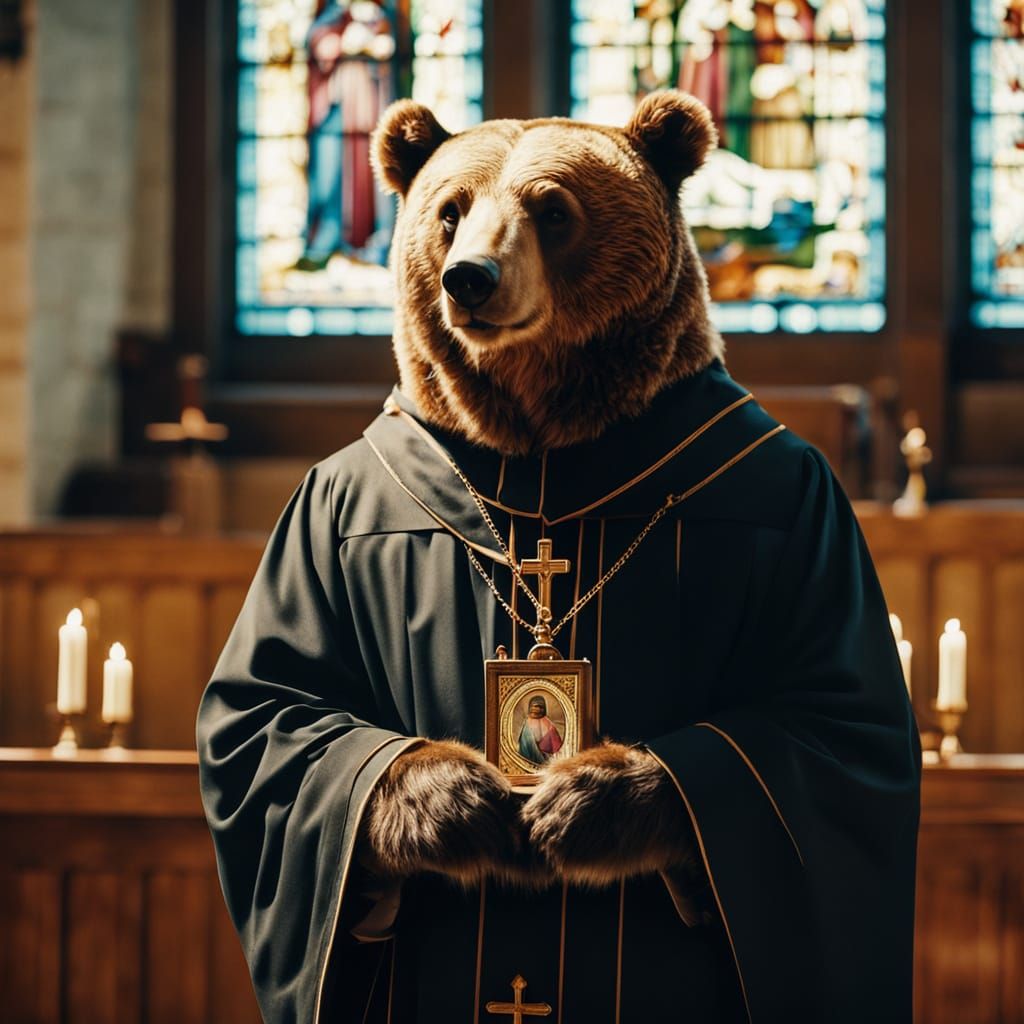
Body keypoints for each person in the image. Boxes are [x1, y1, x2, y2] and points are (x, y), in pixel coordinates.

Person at [517, 695, 563, 764]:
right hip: (528, 763)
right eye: (534, 706)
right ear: (530, 707)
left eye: (540, 707)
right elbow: (523, 750)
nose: (537, 709)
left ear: (544, 709)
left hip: (548, 763)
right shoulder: (526, 726)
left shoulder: (550, 726)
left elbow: (558, 750)